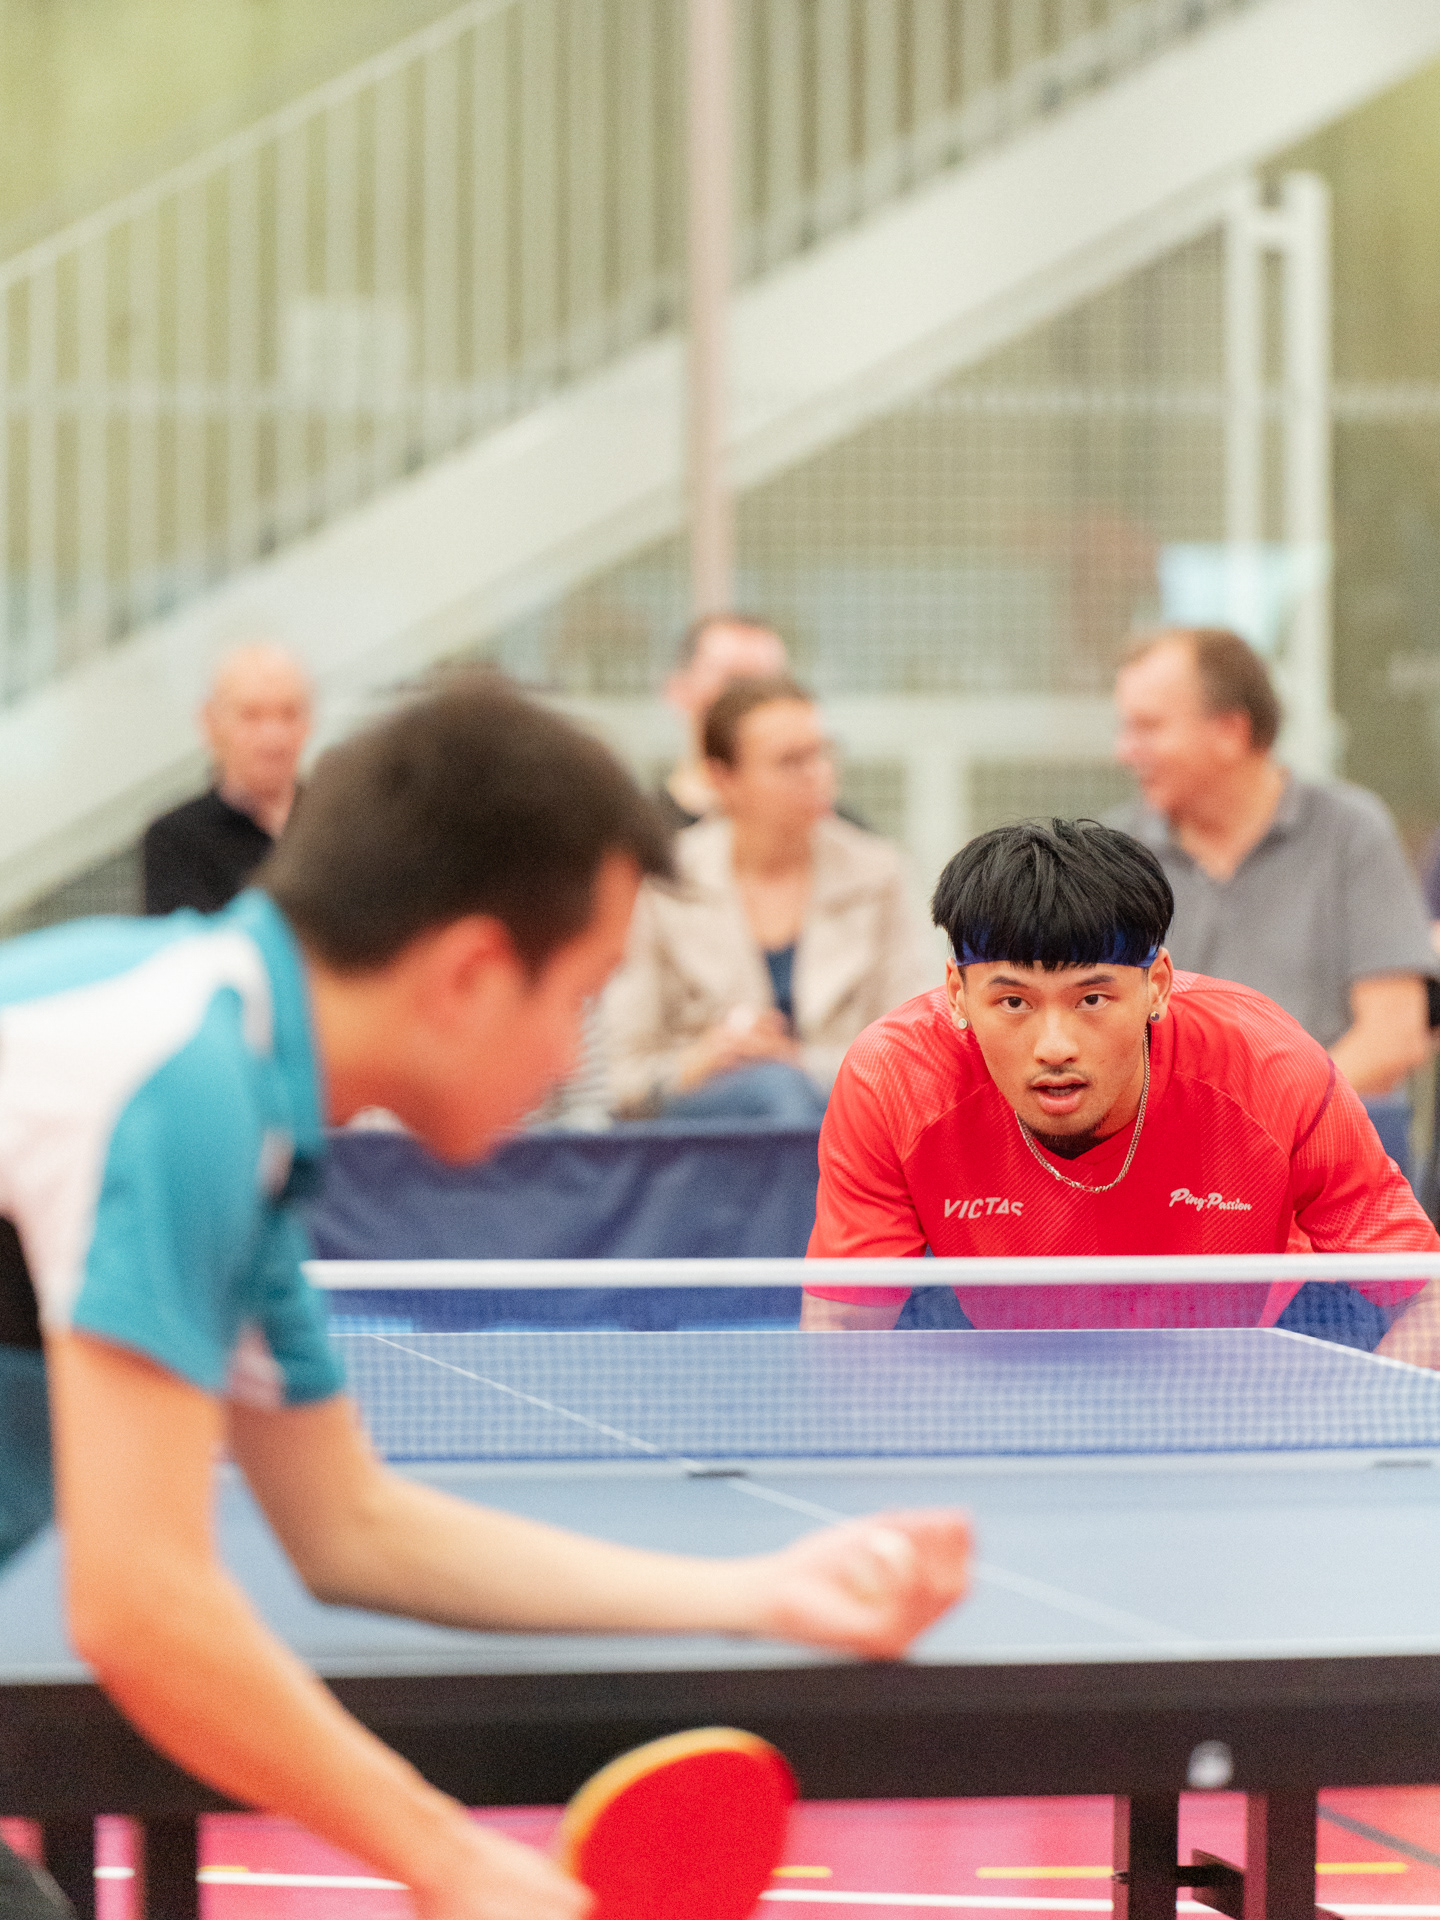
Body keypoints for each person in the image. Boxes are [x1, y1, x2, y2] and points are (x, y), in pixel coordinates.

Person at [0, 675, 968, 1920]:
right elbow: (142, 1609)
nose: (571, 1057)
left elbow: (347, 1526)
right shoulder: (179, 1083)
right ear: (467, 974)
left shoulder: (240, 1093)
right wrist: (449, 1861)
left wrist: (758, 1592)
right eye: (577, 996)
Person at [801, 818, 1440, 1339]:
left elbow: (1426, 1298)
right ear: (957, 993)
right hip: (999, 1359)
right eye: (1014, 1002)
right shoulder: (892, 1080)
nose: (1054, 1047)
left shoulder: (1269, 1068)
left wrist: (1371, 1427)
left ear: (1157, 985)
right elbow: (844, 1331)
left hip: (1242, 1358)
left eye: (1092, 998)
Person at [1110, 628, 1433, 1097]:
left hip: (1319, 1134)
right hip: (1160, 1135)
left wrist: (1266, 1115)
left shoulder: (1349, 834)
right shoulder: (1113, 855)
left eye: (1149, 728)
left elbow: (1393, 1037)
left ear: (1230, 732)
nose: (1124, 751)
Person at [604, 676, 938, 1123]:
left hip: (847, 1115)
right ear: (722, 779)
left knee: (782, 1090)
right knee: (773, 1092)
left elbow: (917, 1054)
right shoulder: (665, 881)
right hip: (701, 1134)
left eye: (822, 753)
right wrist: (702, 1060)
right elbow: (623, 1078)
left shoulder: (880, 874)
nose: (817, 774)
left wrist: (798, 1065)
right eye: (790, 761)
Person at [142, 644, 312, 914]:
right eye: (251, 716)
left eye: (288, 713)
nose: (273, 736)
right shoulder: (176, 839)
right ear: (211, 722)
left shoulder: (341, 824)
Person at [657, 614, 790, 830]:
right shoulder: (639, 834)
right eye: (734, 683)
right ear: (679, 691)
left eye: (772, 687)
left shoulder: (831, 830)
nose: (754, 704)